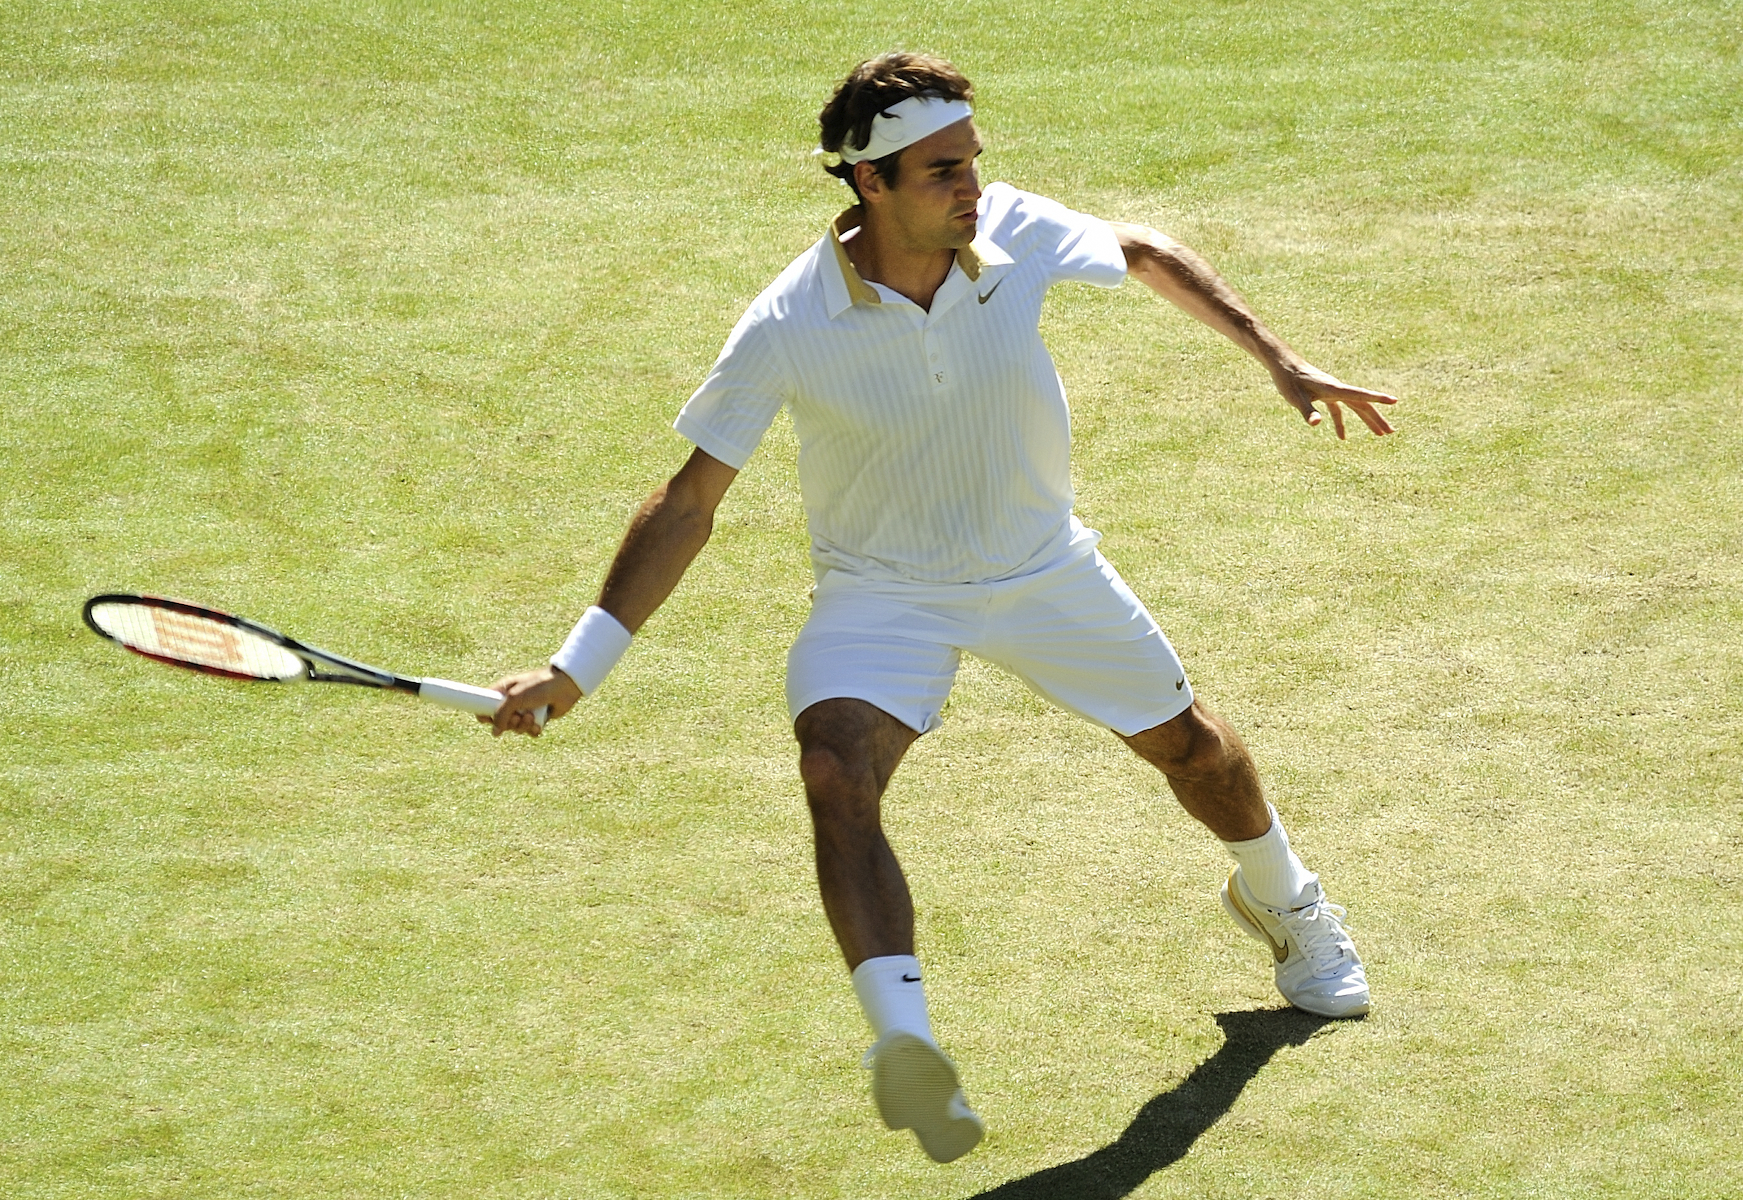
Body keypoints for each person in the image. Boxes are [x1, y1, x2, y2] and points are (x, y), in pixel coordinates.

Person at [483, 52, 1397, 1164]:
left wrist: (1277, 358)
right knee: (835, 768)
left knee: (1196, 751)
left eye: (972, 163)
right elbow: (688, 501)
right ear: (869, 183)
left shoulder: (1012, 232)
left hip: (1043, 572)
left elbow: (1146, 252)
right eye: (940, 171)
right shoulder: (786, 323)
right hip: (885, 597)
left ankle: (1283, 901)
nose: (971, 188)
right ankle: (906, 1045)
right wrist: (577, 666)